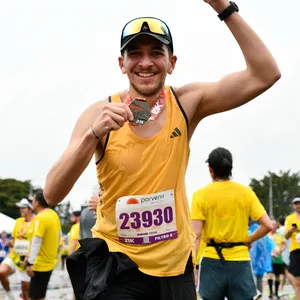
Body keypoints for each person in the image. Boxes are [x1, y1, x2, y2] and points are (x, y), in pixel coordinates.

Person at [43, 1, 280, 298]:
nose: (145, 62)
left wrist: (223, 7)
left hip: (174, 267)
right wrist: (92, 135)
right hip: (118, 265)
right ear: (121, 63)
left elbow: (265, 74)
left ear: (172, 62)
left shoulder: (187, 103)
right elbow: (52, 193)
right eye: (135, 54)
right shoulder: (98, 114)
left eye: (156, 53)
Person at [191, 147, 272, 300]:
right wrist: (248, 239)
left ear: (210, 169)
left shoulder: (200, 195)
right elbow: (268, 225)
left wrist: (192, 266)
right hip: (240, 260)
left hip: (211, 260)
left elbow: (196, 234)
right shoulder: (245, 192)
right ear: (230, 168)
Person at [26, 191, 61, 300]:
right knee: (40, 294)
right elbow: (59, 236)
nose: (32, 202)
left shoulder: (40, 218)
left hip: (39, 264)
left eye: (33, 200)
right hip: (50, 262)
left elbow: (36, 241)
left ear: (37, 202)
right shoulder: (53, 214)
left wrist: (30, 262)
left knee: (36, 297)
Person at [0, 198, 34, 300]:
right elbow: (13, 238)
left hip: (26, 259)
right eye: (20, 207)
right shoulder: (18, 221)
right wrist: (11, 242)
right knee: (1, 272)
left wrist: (30, 259)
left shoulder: (36, 222)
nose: (21, 209)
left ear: (30, 209)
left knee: (25, 289)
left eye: (24, 207)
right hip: (14, 255)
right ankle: (10, 296)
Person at [249, 221, 274, 298]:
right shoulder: (263, 234)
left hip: (248, 260)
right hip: (261, 261)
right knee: (259, 279)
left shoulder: (248, 232)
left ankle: (254, 295)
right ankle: (260, 296)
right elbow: (271, 245)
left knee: (250, 279)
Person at [285, 197, 300, 299]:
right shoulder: (289, 218)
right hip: (295, 251)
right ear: (293, 206)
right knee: (297, 280)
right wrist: (290, 231)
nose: (298, 205)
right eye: (296, 204)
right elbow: (286, 236)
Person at [267, 219, 286, 299]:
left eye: (274, 225)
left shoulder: (280, 235)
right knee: (270, 275)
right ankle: (271, 292)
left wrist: (280, 251)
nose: (273, 226)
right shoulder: (266, 235)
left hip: (278, 258)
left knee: (277, 276)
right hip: (269, 259)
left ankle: (277, 292)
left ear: (277, 225)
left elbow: (284, 244)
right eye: (271, 224)